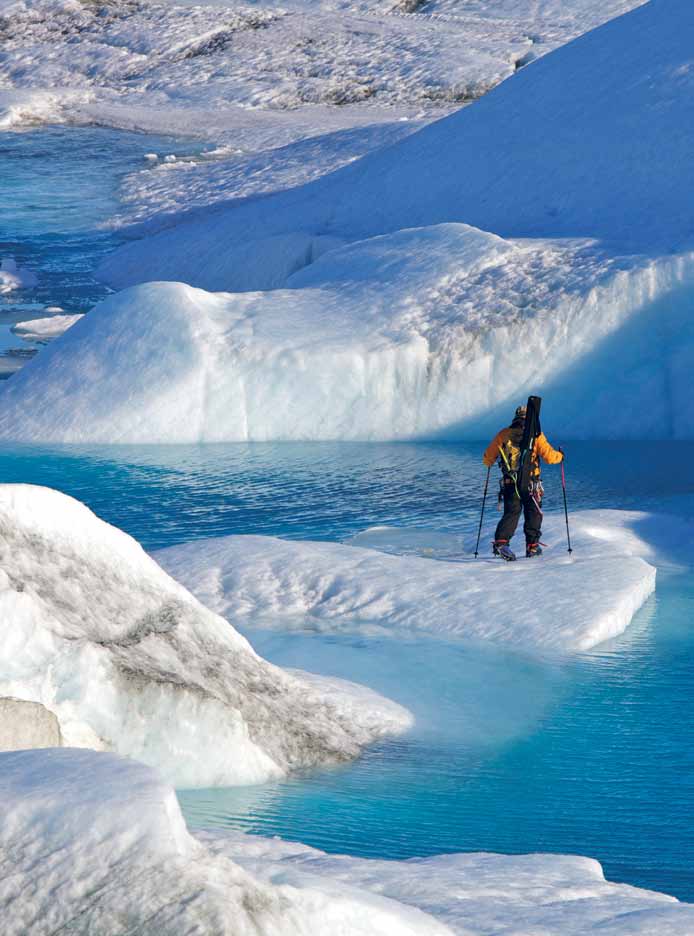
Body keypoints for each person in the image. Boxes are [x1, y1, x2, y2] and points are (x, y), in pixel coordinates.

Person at [483, 405, 563, 560]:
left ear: (516, 416)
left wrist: (491, 460)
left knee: (512, 513)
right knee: (533, 513)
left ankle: (501, 542)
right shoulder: (536, 435)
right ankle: (532, 546)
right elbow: (550, 457)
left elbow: (487, 459)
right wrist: (561, 456)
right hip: (531, 483)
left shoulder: (503, 434)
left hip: (510, 483)